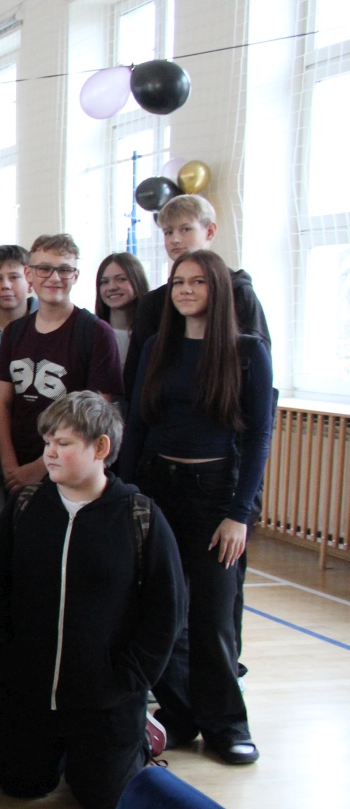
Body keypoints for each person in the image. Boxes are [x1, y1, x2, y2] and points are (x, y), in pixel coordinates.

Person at [0, 391, 183, 809]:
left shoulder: (139, 517)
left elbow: (166, 612)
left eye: (63, 443)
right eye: (47, 442)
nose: (49, 453)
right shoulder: (25, 507)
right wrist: (4, 655)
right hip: (28, 694)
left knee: (103, 801)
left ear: (100, 447)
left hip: (105, 700)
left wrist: (129, 678)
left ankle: (136, 736)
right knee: (20, 785)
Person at [117, 250, 273, 766]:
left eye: (198, 282)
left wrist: (240, 514)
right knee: (160, 608)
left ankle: (226, 725)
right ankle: (181, 715)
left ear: (219, 290)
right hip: (157, 486)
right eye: (179, 281)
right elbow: (138, 425)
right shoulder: (158, 346)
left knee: (212, 615)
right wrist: (126, 494)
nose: (185, 290)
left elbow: (258, 438)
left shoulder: (247, 351)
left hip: (215, 495)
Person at [0, 233, 123, 493]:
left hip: (71, 469)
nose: (54, 278)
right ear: (29, 274)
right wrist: (9, 465)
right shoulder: (14, 332)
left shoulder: (96, 332)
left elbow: (97, 414)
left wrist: (40, 466)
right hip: (18, 467)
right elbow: (2, 403)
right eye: (44, 269)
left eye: (64, 270)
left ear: (75, 276)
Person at [122, 194, 271, 396]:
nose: (175, 239)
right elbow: (136, 374)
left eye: (185, 229)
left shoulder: (240, 293)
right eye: (168, 232)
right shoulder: (153, 302)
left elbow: (259, 373)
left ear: (209, 231)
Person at [94, 252, 150, 370]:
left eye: (121, 279)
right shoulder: (91, 333)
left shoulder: (153, 335)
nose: (112, 287)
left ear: (137, 280)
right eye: (105, 282)